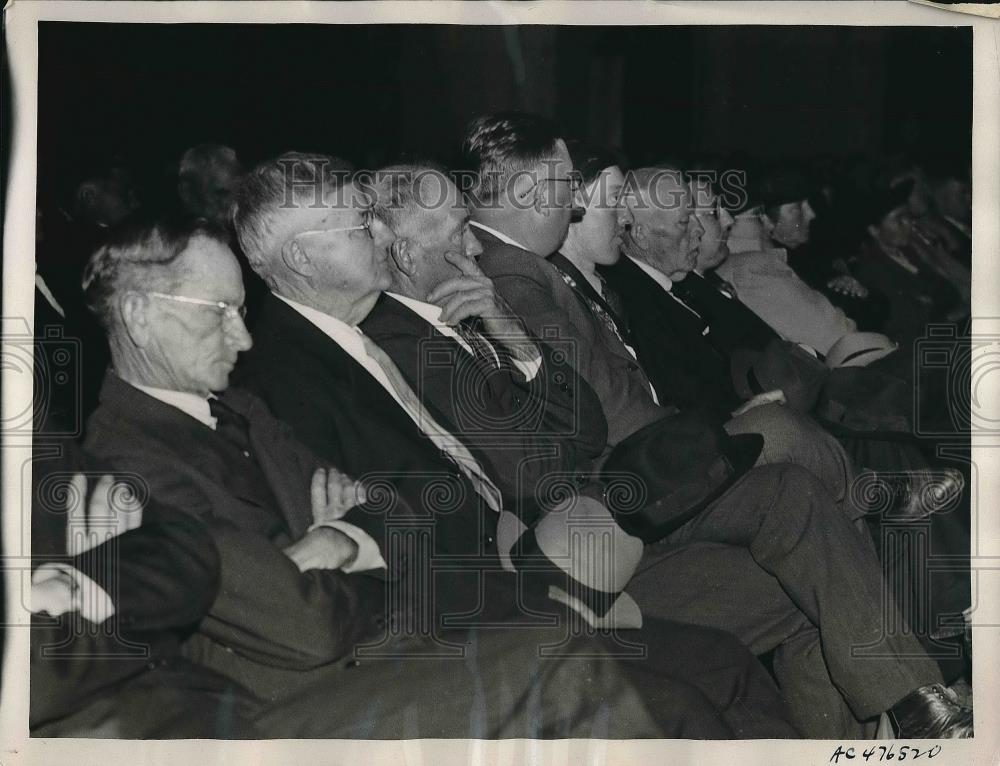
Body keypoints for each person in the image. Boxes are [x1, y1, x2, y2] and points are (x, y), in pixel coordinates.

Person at [79, 216, 786, 738]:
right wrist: (351, 541)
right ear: (140, 317)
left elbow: (396, 508)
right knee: (662, 702)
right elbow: (305, 628)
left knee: (717, 665)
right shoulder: (123, 464)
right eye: (218, 314)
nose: (241, 334)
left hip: (424, 615)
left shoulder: (239, 404)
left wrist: (337, 541)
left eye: (240, 309)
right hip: (322, 693)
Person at [230, 152, 804, 739]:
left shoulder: (354, 339)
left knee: (732, 654)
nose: (378, 233)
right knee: (701, 689)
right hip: (480, 600)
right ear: (302, 257)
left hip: (525, 562)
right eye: (359, 224)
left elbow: (582, 431)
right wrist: (535, 573)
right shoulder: (285, 374)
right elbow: (403, 516)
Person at [463, 111, 972, 738]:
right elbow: (599, 414)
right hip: (613, 507)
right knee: (808, 500)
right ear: (524, 192)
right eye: (568, 186)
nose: (573, 205)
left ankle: (885, 717)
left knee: (804, 516)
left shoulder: (533, 271)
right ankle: (908, 696)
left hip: (631, 482)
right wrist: (702, 432)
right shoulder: (514, 275)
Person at [30, 435, 262, 738]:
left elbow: (186, 546)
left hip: (203, 706)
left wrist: (74, 582)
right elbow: (36, 682)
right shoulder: (129, 442)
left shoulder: (34, 449)